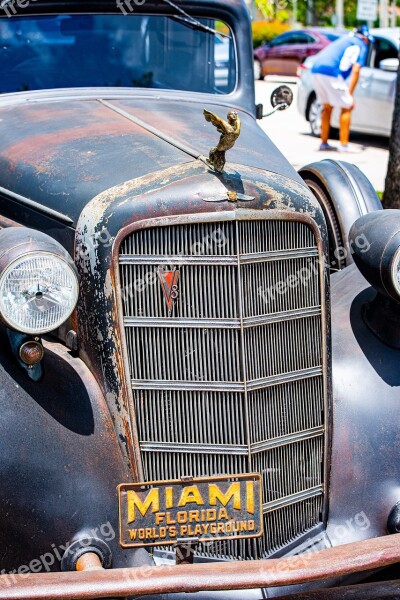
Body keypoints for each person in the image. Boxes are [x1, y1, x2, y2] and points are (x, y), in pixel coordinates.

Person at [311, 25, 374, 152]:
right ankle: (344, 145)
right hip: (331, 72)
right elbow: (356, 70)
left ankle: (323, 143)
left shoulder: (345, 39)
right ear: (365, 38)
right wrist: (349, 95)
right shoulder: (360, 44)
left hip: (316, 70)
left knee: (327, 107)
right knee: (347, 106)